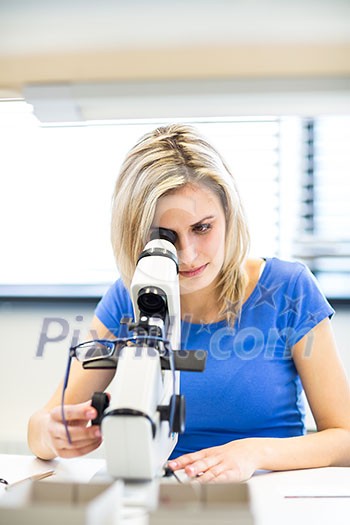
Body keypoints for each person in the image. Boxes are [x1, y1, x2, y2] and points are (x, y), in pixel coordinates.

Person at [28, 124, 350, 483]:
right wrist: (53, 434)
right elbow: (40, 428)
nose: (188, 254)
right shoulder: (132, 298)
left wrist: (254, 452)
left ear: (228, 213)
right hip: (168, 497)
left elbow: (345, 439)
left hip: (269, 492)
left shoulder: (289, 289)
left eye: (202, 228)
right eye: (165, 238)